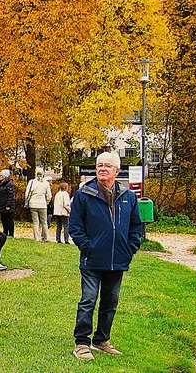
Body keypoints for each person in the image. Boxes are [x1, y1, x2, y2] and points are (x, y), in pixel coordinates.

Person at [70, 152, 142, 361]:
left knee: (110, 302)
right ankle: (82, 343)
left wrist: (130, 249)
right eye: (99, 165)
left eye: (107, 166)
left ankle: (101, 340)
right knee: (88, 300)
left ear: (116, 171)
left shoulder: (128, 196)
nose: (102, 168)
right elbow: (75, 227)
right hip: (91, 260)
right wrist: (87, 247)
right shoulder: (84, 194)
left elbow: (136, 227)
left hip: (118, 260)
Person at [25, 168, 52, 242]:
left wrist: (28, 201)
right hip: (43, 204)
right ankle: (46, 238)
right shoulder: (46, 183)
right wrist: (46, 202)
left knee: (35, 222)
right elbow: (49, 195)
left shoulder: (32, 182)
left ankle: (37, 238)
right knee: (44, 222)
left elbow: (27, 193)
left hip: (33, 204)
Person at [0, 169, 16, 237]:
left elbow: (10, 196)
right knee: (4, 219)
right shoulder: (1, 183)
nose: (0, 177)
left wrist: (8, 205)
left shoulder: (9, 184)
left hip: (7, 205)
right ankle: (5, 231)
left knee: (9, 219)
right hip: (2, 204)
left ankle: (11, 233)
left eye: (1, 175)